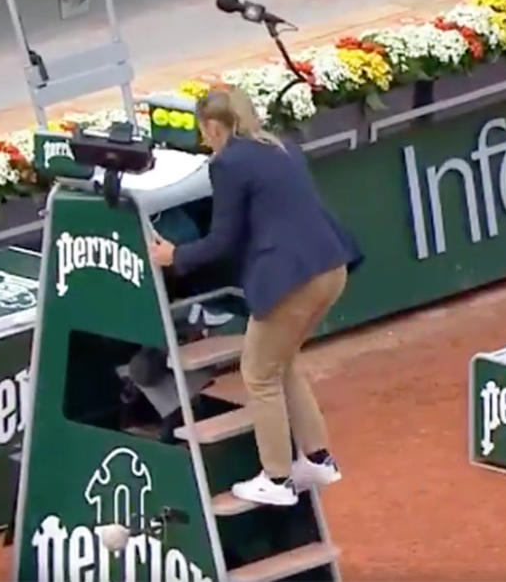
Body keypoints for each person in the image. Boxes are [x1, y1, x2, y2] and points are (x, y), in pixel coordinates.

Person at [149, 86, 364, 507]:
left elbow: (224, 240)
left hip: (292, 277)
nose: (205, 140)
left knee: (259, 373)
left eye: (204, 132)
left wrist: (174, 255)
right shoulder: (280, 146)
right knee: (281, 364)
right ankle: (317, 459)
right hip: (330, 267)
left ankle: (277, 479)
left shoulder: (227, 163)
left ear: (213, 127)